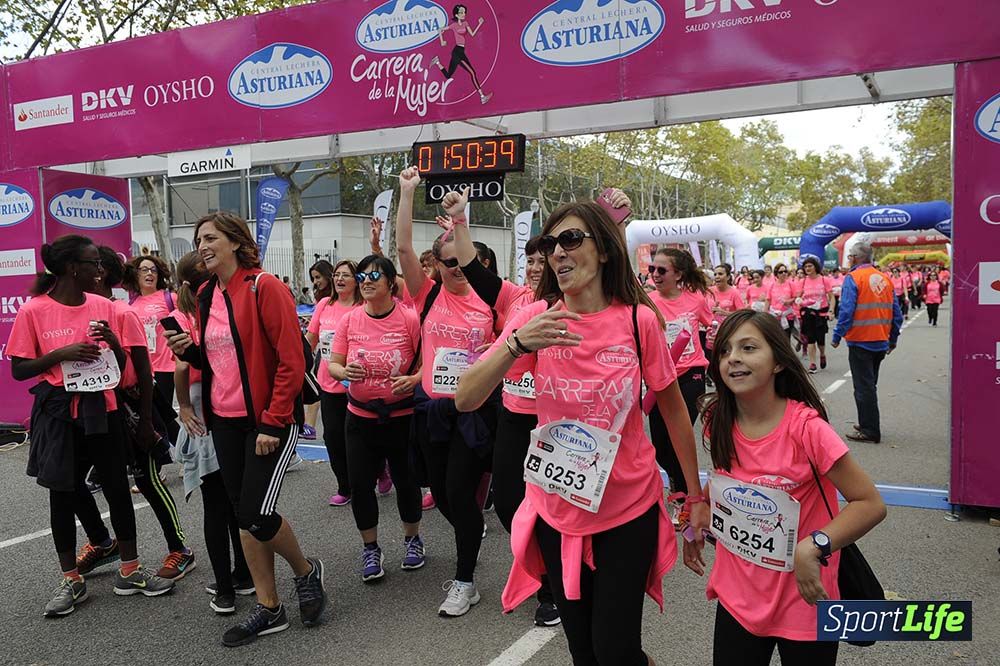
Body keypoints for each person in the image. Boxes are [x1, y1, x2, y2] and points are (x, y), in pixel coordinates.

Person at [456, 200, 710, 666]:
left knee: (615, 649)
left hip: (626, 508)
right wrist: (518, 343)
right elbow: (466, 397)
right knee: (583, 651)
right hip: (558, 508)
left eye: (571, 240)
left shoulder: (639, 320)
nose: (557, 253)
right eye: (550, 244)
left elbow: (673, 410)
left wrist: (695, 496)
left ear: (605, 252)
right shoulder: (536, 319)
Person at [686, 310, 886, 665]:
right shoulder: (717, 419)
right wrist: (695, 518)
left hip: (805, 599)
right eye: (725, 350)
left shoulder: (807, 428)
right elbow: (730, 488)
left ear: (778, 362)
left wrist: (814, 546)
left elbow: (869, 503)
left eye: (748, 348)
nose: (733, 358)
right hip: (738, 598)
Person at [165, 212, 326, 647]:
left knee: (255, 513)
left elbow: (292, 361)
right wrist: (190, 353)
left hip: (266, 422)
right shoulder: (204, 294)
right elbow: (218, 359)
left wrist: (272, 421)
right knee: (242, 514)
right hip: (225, 421)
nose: (202, 244)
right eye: (198, 239)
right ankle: (269, 608)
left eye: (211, 237)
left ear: (236, 242)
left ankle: (306, 571)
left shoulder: (264, 287)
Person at [9, 235, 174, 617]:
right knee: (63, 494)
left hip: (104, 407)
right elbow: (19, 369)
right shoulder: (34, 311)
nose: (100, 271)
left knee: (117, 487)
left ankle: (130, 571)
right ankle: (70, 579)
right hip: (57, 411)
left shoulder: (105, 307)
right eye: (92, 264)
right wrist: (62, 354)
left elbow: (121, 366)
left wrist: (114, 344)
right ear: (71, 269)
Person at [396, 166, 501, 617]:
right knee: (440, 494)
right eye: (449, 262)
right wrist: (406, 192)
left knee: (459, 491)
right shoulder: (429, 295)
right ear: (436, 265)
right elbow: (401, 246)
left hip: (474, 412)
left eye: (464, 261)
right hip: (431, 409)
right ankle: (470, 531)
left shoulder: (492, 301)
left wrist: (461, 221)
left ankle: (464, 582)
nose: (457, 268)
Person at [75, 247, 195, 582]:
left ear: (99, 273)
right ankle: (102, 542)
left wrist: (144, 420)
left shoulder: (120, 313)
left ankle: (180, 548)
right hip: (93, 413)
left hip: (132, 409)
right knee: (68, 478)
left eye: (82, 267)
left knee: (147, 479)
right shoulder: (77, 311)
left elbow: (142, 374)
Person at [328, 255, 426, 583]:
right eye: (362, 276)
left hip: (402, 417)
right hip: (359, 417)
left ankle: (412, 539)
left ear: (390, 283)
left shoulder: (409, 319)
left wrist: (413, 381)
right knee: (360, 484)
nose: (366, 281)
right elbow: (334, 364)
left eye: (374, 275)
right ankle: (371, 547)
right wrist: (344, 371)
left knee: (406, 480)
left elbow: (428, 362)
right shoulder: (350, 320)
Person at [171, 251, 254, 615]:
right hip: (210, 410)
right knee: (225, 501)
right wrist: (186, 409)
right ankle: (233, 579)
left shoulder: (213, 307)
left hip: (221, 407)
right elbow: (182, 365)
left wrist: (185, 408)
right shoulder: (195, 312)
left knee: (224, 502)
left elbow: (181, 367)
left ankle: (233, 581)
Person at [647, 248, 713, 498]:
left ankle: (683, 496)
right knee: (660, 446)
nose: (655, 274)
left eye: (662, 270)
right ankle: (682, 487)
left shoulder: (695, 299)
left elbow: (711, 325)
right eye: (652, 269)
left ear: (679, 274)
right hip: (658, 378)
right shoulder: (648, 302)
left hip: (691, 376)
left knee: (678, 441)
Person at [831, 242, 903, 445]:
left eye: (850, 257)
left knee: (863, 388)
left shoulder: (853, 278)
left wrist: (837, 335)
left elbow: (846, 311)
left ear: (854, 257)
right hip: (880, 341)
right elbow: (896, 313)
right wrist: (893, 338)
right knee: (869, 385)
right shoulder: (884, 278)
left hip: (861, 341)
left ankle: (870, 430)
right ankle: (866, 422)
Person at [306, 259, 363, 506]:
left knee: (359, 439)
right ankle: (345, 486)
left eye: (346, 275)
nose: (340, 279)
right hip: (328, 383)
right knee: (332, 437)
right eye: (337, 275)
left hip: (357, 384)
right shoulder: (324, 305)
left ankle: (375, 472)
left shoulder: (363, 307)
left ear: (357, 280)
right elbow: (311, 339)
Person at [123, 254, 179, 444]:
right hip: (144, 368)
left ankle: (186, 456)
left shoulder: (170, 298)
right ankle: (179, 455)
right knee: (155, 416)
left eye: (153, 270)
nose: (150, 273)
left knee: (165, 415)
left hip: (167, 366)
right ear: (135, 275)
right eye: (144, 269)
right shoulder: (131, 304)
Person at [429, 4, 492, 104]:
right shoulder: (454, 25)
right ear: (456, 15)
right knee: (472, 73)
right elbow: (440, 29)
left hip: (460, 51)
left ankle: (437, 62)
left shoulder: (465, 23)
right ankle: (482, 96)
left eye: (464, 12)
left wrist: (479, 24)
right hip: (457, 52)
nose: (464, 14)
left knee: (448, 75)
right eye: (461, 13)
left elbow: (472, 34)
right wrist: (442, 41)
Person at [707, 263, 745, 374]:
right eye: (715, 274)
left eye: (720, 274)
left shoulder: (734, 292)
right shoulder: (709, 291)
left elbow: (742, 313)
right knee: (712, 364)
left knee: (724, 363)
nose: (717, 276)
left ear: (728, 277)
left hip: (728, 333)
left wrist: (725, 313)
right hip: (711, 332)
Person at [798, 257, 834, 374]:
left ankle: (822, 354)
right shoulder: (803, 281)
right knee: (810, 339)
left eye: (810, 266)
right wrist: (798, 301)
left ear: (815, 267)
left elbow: (831, 297)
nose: (807, 268)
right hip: (808, 313)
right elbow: (798, 296)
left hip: (821, 313)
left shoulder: (824, 280)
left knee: (820, 339)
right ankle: (812, 363)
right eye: (806, 266)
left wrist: (831, 311)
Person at [766, 263, 798, 343]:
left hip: (787, 315)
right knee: (776, 338)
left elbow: (795, 298)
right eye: (781, 272)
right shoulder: (772, 285)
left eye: (785, 271)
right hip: (775, 315)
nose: (783, 273)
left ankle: (786, 354)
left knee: (786, 338)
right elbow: (768, 300)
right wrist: (765, 313)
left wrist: (789, 301)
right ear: (776, 274)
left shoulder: (791, 284)